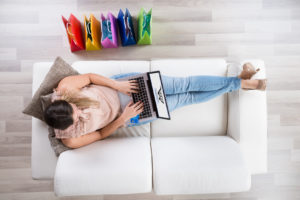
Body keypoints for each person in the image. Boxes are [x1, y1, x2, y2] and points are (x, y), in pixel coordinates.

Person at [43, 63, 266, 149]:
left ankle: (240, 82)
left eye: (76, 108)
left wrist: (117, 85)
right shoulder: (71, 140)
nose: (82, 113)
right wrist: (122, 119)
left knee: (184, 84)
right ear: (68, 126)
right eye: (78, 117)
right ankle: (241, 82)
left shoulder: (65, 87)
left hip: (124, 86)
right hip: (131, 114)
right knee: (185, 98)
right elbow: (101, 134)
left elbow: (90, 77)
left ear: (64, 101)